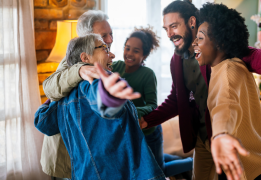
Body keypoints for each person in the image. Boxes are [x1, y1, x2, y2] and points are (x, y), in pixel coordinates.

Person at [138, 0, 261, 180]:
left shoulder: (220, 54)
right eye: (166, 29)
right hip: (202, 136)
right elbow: (177, 98)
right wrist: (147, 120)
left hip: (225, 136)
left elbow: (229, 95)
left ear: (191, 22)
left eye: (173, 26)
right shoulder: (177, 60)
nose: (169, 34)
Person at [35, 34, 165, 180]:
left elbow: (42, 122)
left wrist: (51, 100)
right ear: (85, 58)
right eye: (104, 48)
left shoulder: (65, 97)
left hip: (84, 173)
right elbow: (101, 102)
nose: (112, 54)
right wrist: (110, 97)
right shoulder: (93, 83)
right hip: (115, 172)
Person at [192, 2, 261, 180]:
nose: (194, 43)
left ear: (220, 42)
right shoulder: (223, 67)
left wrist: (221, 134)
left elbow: (226, 105)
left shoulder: (229, 71)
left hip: (250, 168)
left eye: (200, 38)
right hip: (249, 163)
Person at [40, 10, 114, 179]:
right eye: (104, 35)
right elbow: (50, 87)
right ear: (86, 37)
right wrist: (79, 69)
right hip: (66, 157)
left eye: (111, 34)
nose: (110, 39)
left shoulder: (105, 59)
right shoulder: (69, 61)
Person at [113, 26, 193, 177]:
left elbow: (152, 105)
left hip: (149, 131)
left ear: (144, 55)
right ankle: (177, 160)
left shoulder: (147, 74)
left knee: (158, 171)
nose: (129, 54)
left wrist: (134, 111)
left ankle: (193, 162)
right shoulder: (116, 67)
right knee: (145, 166)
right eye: (127, 48)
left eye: (136, 51)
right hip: (131, 131)